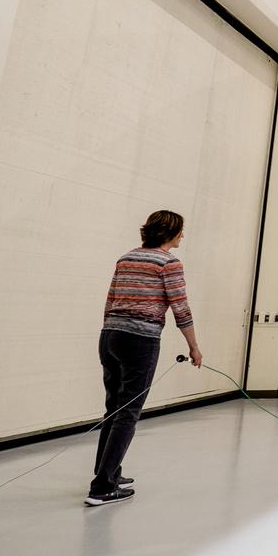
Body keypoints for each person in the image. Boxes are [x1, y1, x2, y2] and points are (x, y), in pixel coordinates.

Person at [88, 210, 202, 506]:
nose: (183, 235)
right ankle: (102, 487)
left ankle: (108, 472)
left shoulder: (125, 258)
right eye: (181, 230)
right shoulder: (170, 263)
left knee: (113, 408)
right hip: (140, 339)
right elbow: (180, 307)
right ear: (170, 233)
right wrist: (194, 346)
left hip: (110, 336)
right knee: (128, 412)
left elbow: (110, 298)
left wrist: (108, 331)